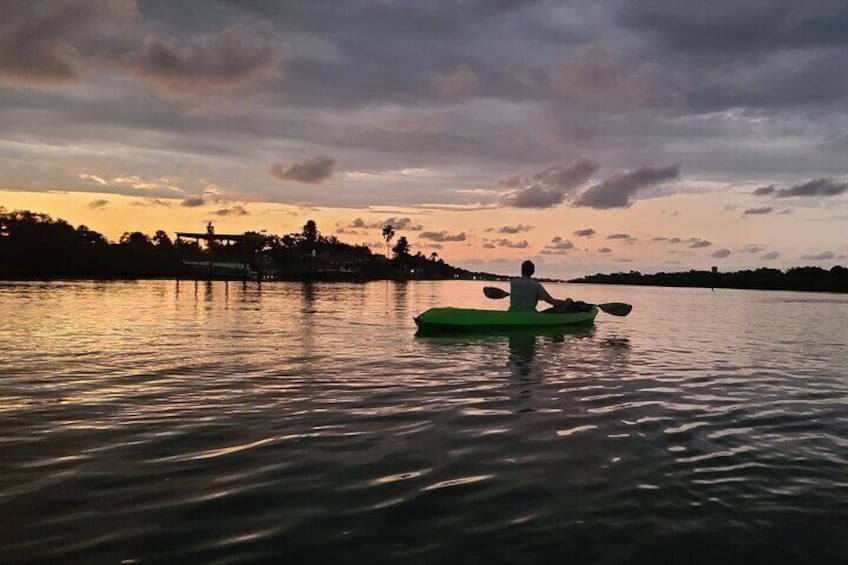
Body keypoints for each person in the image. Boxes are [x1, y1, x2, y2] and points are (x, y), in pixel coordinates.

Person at [509, 260, 581, 313]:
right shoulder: (536, 286)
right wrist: (566, 302)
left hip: (512, 313)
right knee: (560, 308)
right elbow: (552, 302)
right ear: (533, 272)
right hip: (530, 315)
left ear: (521, 270)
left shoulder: (513, 283)